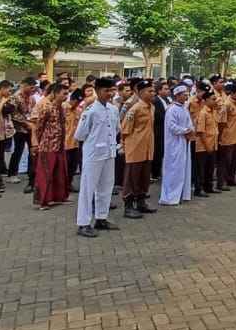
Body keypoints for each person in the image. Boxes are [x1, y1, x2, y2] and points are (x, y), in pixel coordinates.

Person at [73, 77, 121, 238]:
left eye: (112, 90)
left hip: (109, 153)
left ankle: (101, 218)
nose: (110, 93)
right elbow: (80, 135)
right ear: (98, 91)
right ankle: (83, 223)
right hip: (93, 154)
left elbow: (117, 130)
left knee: (106, 187)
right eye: (107, 90)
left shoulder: (113, 109)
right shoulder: (90, 111)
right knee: (88, 189)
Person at [120, 80, 157, 218]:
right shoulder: (134, 109)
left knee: (144, 177)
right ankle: (128, 206)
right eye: (150, 91)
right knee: (131, 178)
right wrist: (125, 147)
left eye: (153, 91)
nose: (153, 93)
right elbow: (125, 130)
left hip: (148, 148)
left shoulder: (151, 107)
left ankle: (141, 202)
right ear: (140, 92)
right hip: (135, 148)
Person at [31, 82, 71, 209]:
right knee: (45, 174)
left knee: (60, 172)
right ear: (55, 93)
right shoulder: (46, 107)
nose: (66, 96)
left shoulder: (63, 108)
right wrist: (36, 143)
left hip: (59, 145)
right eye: (64, 94)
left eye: (67, 94)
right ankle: (43, 201)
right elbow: (38, 127)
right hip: (47, 146)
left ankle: (58, 197)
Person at [159, 84, 193, 206]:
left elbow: (189, 123)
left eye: (187, 95)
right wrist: (186, 131)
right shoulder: (171, 110)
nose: (186, 97)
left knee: (182, 168)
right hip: (173, 144)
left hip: (183, 142)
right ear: (177, 95)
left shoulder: (184, 108)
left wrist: (189, 130)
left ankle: (180, 194)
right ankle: (169, 196)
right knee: (173, 169)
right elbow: (172, 127)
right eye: (184, 95)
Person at [3, 77, 37, 187]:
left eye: (34, 88)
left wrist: (32, 122)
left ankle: (31, 172)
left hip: (30, 127)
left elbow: (33, 111)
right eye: (31, 87)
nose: (33, 90)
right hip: (19, 129)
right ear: (24, 85)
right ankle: (12, 174)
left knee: (33, 150)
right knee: (18, 150)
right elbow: (13, 114)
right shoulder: (15, 97)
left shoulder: (32, 98)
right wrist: (25, 123)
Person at [190, 88, 219, 193]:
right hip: (203, 146)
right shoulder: (203, 113)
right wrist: (207, 146)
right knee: (200, 169)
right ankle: (199, 188)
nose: (215, 101)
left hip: (213, 144)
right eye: (213, 99)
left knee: (210, 168)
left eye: (215, 99)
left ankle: (209, 187)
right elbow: (201, 132)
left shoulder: (213, 112)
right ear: (206, 100)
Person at [216, 83, 236, 189]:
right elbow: (221, 123)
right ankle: (221, 183)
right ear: (233, 93)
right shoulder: (227, 104)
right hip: (227, 137)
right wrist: (220, 138)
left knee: (234, 160)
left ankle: (231, 179)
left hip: (235, 136)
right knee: (225, 161)